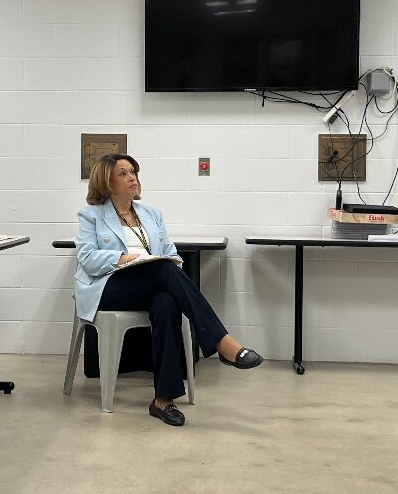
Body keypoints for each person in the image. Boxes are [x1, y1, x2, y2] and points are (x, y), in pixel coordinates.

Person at [75, 154, 262, 427]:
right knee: (163, 270)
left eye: (133, 172)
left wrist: (161, 264)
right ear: (106, 182)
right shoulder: (91, 215)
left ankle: (163, 399)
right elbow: (87, 258)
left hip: (149, 284)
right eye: (123, 174)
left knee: (167, 302)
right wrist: (124, 258)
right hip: (108, 288)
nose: (132, 178)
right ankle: (221, 341)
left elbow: (172, 254)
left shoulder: (151, 215)